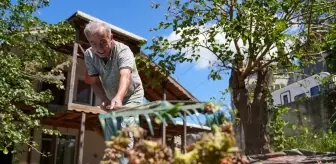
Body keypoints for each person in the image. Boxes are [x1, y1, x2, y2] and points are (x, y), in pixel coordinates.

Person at [83, 21, 144, 163]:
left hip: (132, 95)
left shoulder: (123, 51)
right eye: (94, 44)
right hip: (111, 97)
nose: (99, 48)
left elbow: (125, 76)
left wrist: (119, 97)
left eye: (103, 42)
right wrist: (104, 99)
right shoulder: (89, 55)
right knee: (111, 135)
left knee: (124, 130)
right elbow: (94, 82)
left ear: (111, 38)